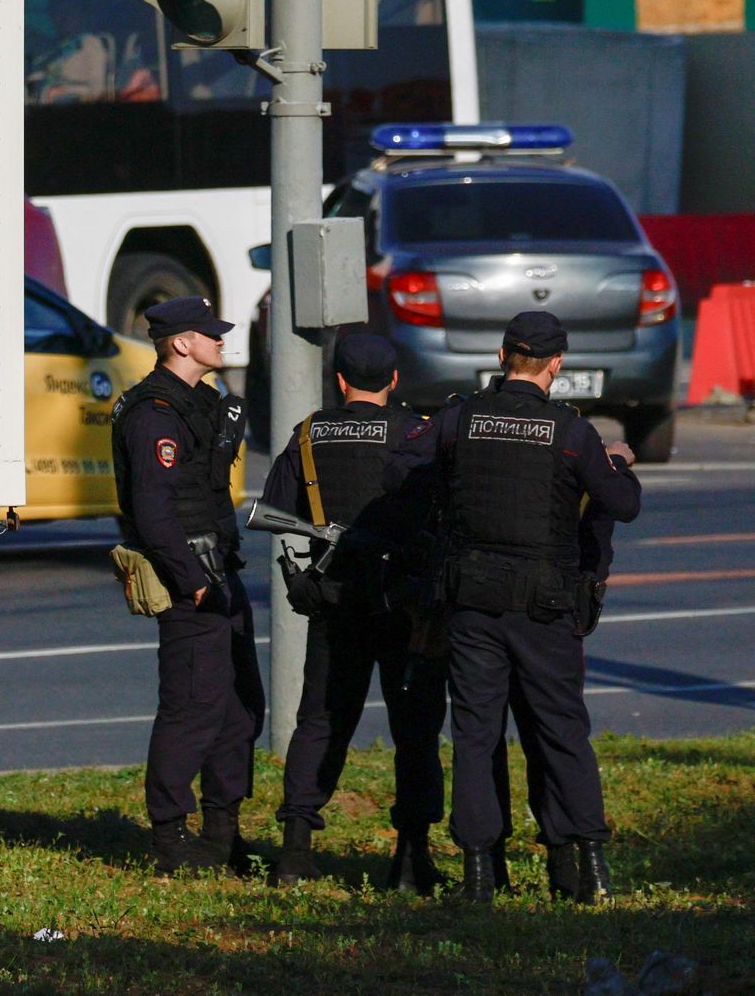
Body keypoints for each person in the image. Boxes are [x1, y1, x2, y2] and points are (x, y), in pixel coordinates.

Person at [383, 311, 641, 904]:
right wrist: (617, 461)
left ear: (502, 358)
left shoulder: (459, 419)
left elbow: (400, 471)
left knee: (475, 734)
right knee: (561, 731)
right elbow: (622, 504)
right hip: (545, 607)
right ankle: (590, 868)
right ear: (557, 365)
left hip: (472, 602)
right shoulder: (569, 430)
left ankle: (479, 875)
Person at [258, 333, 447, 891]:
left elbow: (275, 510)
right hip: (405, 604)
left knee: (320, 721)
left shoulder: (309, 433)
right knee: (414, 729)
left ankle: (294, 851)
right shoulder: (416, 433)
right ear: (395, 380)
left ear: (339, 380)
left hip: (336, 599)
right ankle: (412, 857)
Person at [113, 295, 261, 873]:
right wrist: (191, 581)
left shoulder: (202, 403)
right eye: (209, 333)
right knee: (192, 709)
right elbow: (152, 510)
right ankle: (171, 838)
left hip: (221, 568)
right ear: (181, 343)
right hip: (193, 579)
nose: (221, 340)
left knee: (239, 709)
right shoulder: (154, 413)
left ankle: (222, 835)